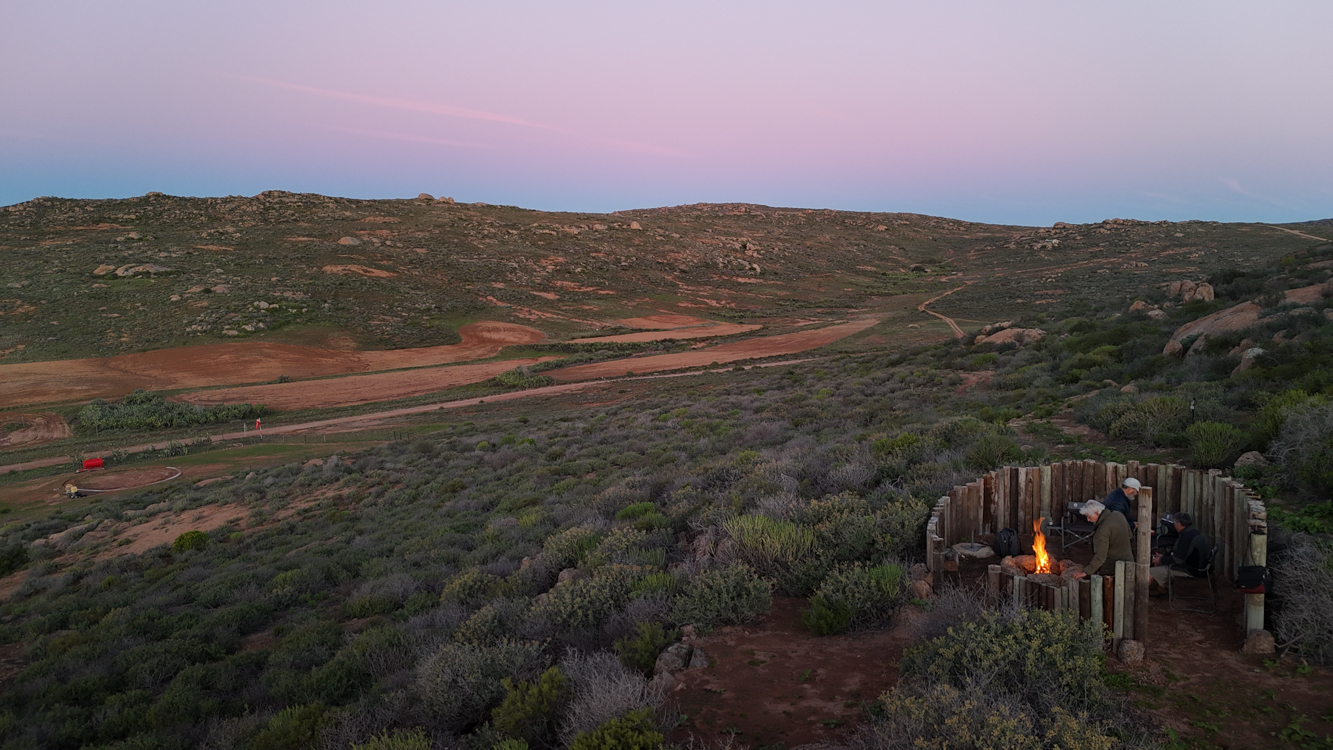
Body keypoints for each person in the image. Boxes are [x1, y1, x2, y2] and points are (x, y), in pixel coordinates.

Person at [1071, 500, 1135, 579]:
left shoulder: (1102, 530)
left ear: (1097, 513)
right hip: (1129, 562)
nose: (1088, 520)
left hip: (1112, 570)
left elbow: (1100, 557)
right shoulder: (1118, 514)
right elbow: (1129, 535)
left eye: (1089, 516)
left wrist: (1085, 572)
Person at [1149, 512, 1210, 594]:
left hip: (1189, 570)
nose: (1173, 525)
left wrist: (1161, 560)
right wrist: (1164, 556)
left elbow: (1178, 559)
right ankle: (1162, 587)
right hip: (1195, 567)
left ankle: (1141, 593)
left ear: (1180, 524)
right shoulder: (1193, 532)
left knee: (1150, 572)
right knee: (1161, 565)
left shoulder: (1187, 538)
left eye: (1174, 523)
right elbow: (1178, 553)